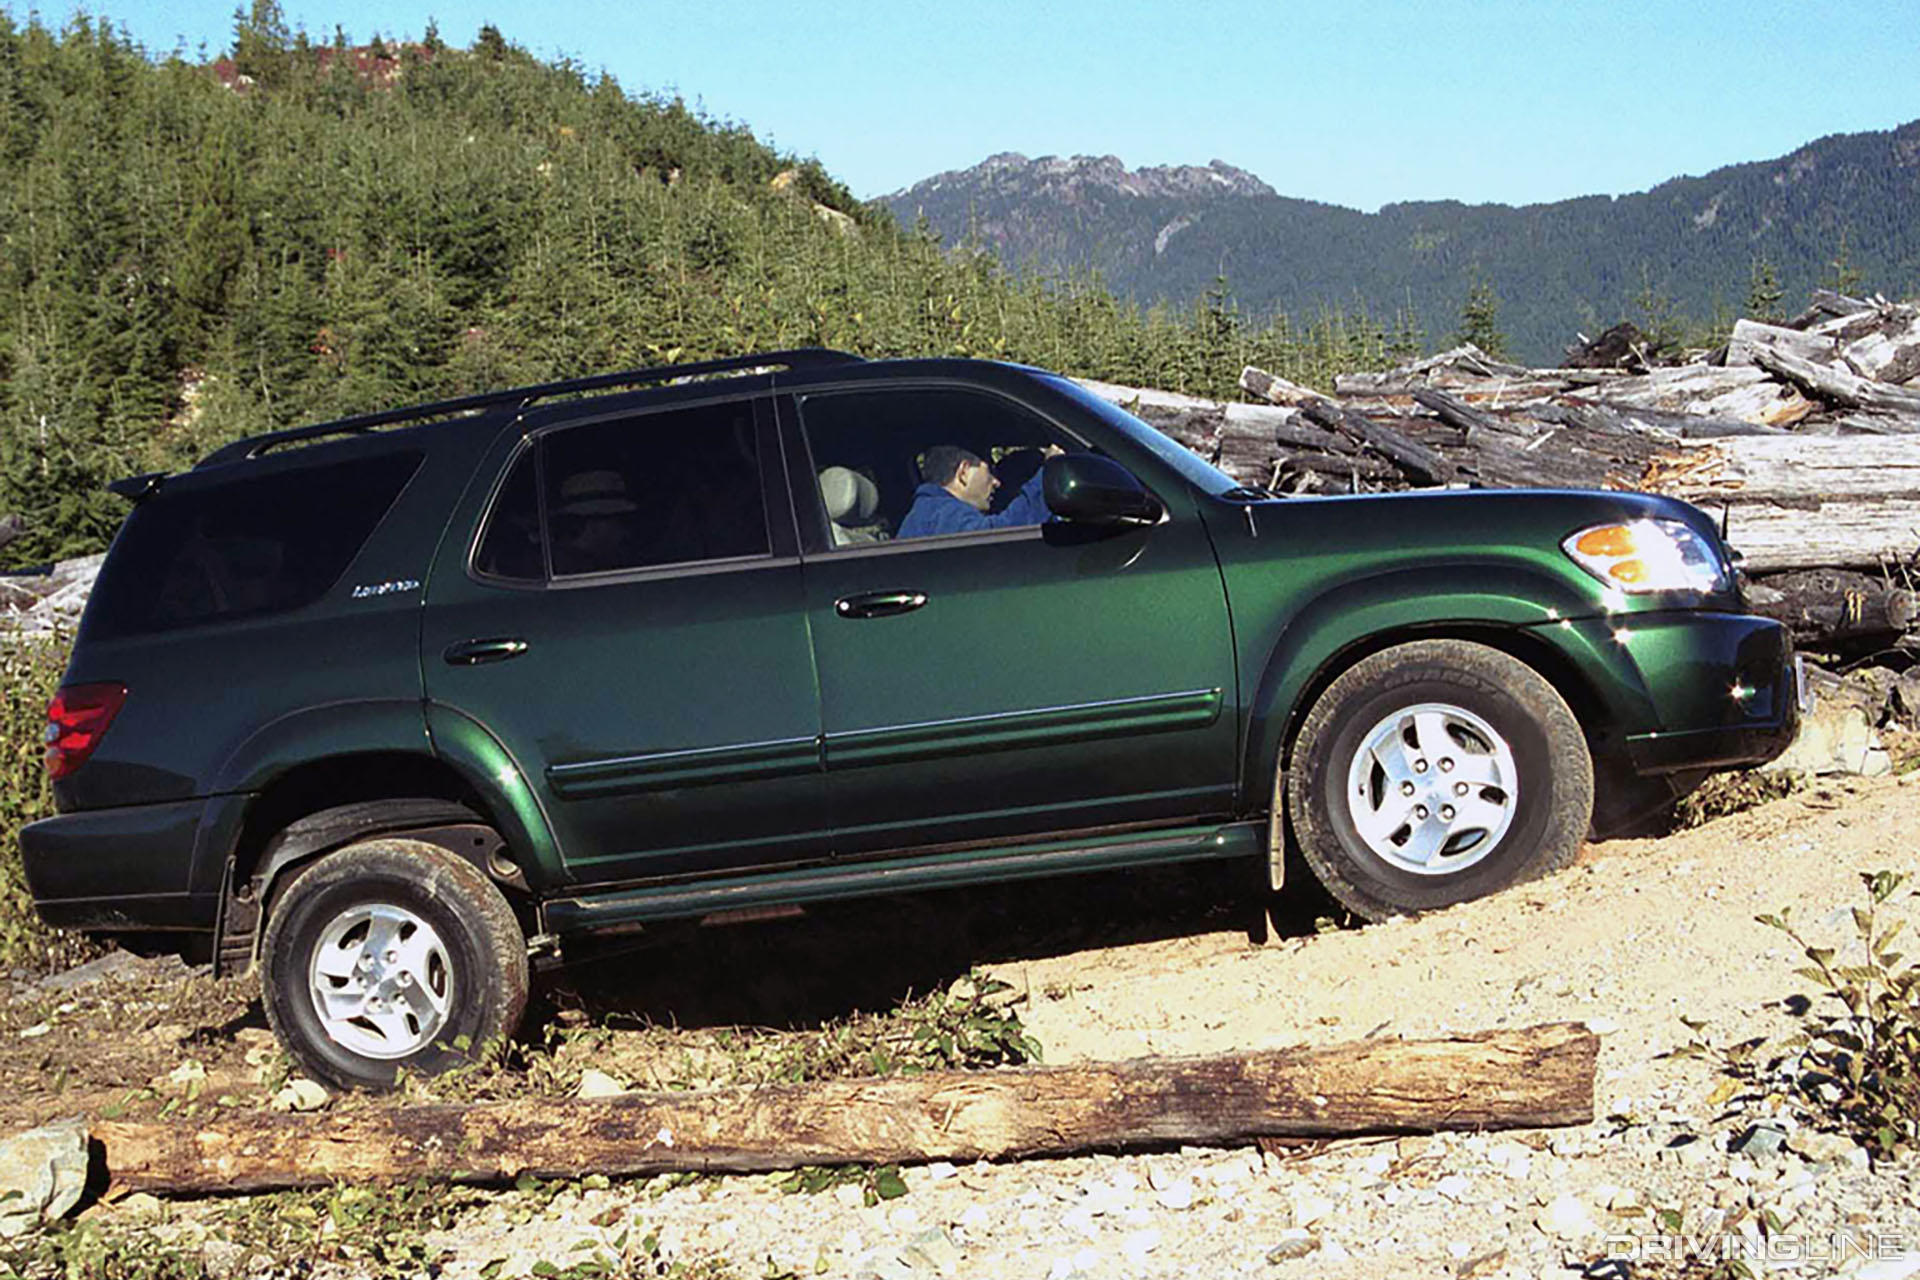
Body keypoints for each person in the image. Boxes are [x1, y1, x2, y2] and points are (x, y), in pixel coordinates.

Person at [897, 444, 1061, 540]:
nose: (997, 482)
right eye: (989, 471)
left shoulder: (929, 511)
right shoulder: (944, 513)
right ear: (964, 472)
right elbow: (1003, 536)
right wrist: (1050, 475)